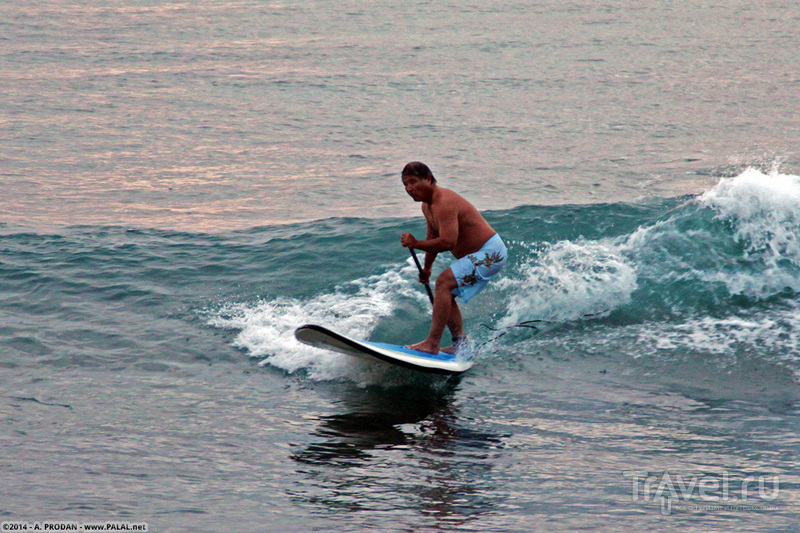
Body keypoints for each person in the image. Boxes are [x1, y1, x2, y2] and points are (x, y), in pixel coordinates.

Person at [400, 161, 507, 354]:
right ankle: (460, 345)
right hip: (482, 255)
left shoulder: (445, 202)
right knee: (446, 293)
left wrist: (415, 244)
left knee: (443, 283)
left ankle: (432, 343)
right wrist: (427, 268)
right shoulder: (427, 206)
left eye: (413, 182)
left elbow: (448, 242)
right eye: (405, 184)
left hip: (491, 253)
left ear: (429, 179)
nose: (409, 189)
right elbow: (433, 237)